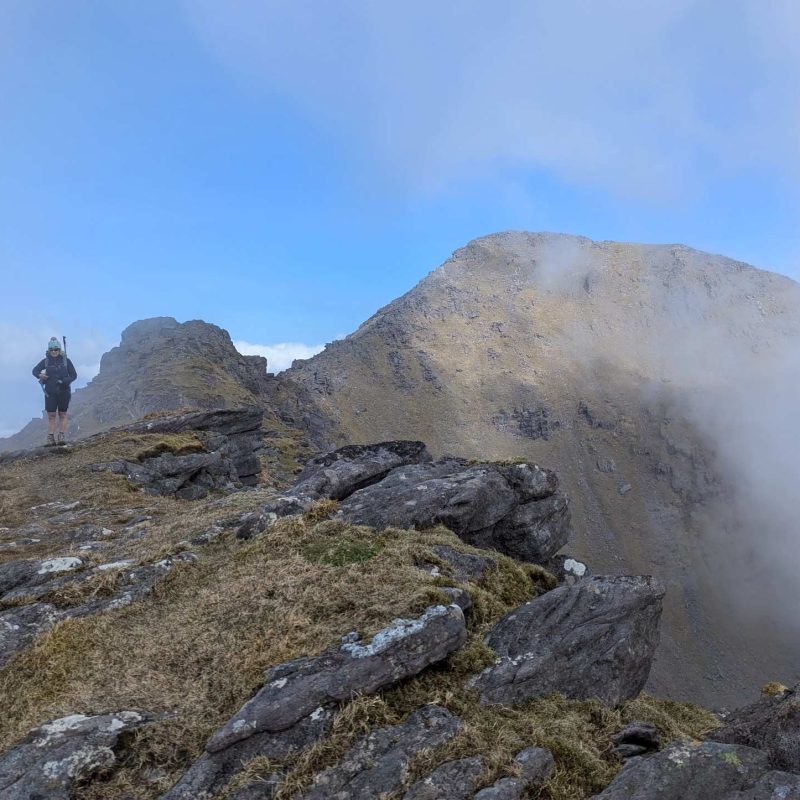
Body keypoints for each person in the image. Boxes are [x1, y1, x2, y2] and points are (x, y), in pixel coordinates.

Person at [32, 338, 77, 446]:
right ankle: (50, 438)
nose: (54, 351)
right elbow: (34, 371)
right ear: (49, 350)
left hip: (64, 391)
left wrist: (66, 381)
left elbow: (74, 375)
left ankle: (61, 436)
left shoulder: (66, 361)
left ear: (59, 349)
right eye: (51, 349)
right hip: (50, 392)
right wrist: (40, 375)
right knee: (51, 415)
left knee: (62, 414)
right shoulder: (46, 361)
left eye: (56, 349)